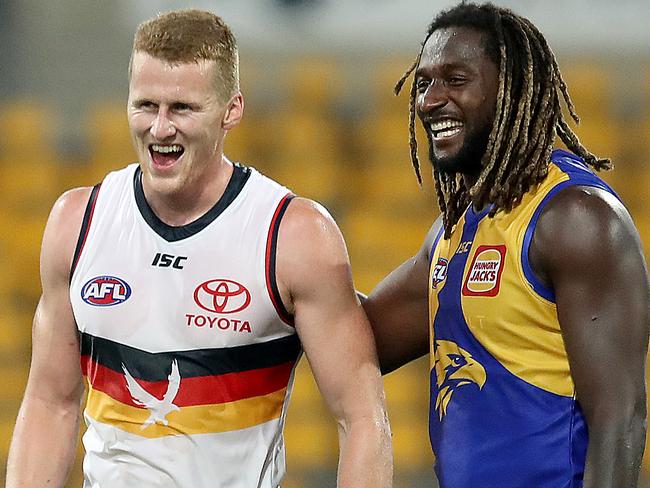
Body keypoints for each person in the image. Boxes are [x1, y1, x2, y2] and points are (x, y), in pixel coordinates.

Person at [6, 9, 392, 488]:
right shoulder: (77, 223)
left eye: (182, 108)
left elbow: (361, 419)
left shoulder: (292, 237)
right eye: (146, 105)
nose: (160, 128)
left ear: (232, 109)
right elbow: (50, 402)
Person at [363, 3, 649, 487]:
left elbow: (620, 419)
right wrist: (279, 276)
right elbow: (363, 337)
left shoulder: (576, 218)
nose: (431, 101)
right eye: (425, 83)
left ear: (510, 89)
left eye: (455, 80)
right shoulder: (453, 230)